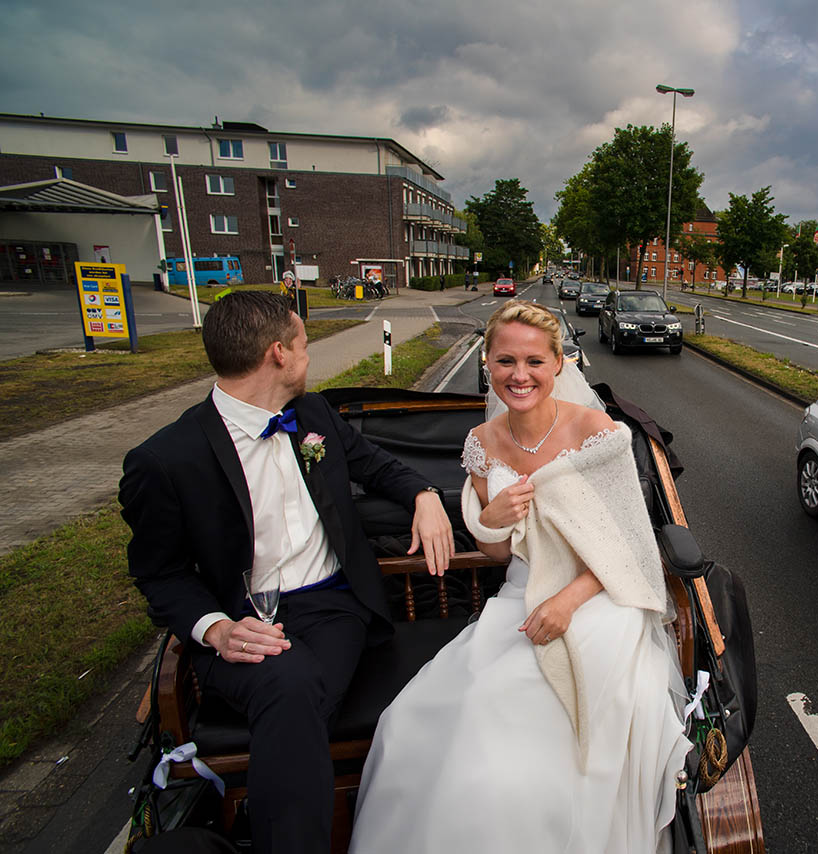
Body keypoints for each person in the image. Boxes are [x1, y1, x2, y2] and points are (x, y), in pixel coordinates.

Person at [118, 291, 454, 854]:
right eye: (304, 344)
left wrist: (423, 493)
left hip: (333, 609)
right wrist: (218, 630)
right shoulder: (165, 460)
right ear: (279, 354)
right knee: (290, 684)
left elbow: (377, 466)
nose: (307, 356)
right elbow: (159, 574)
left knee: (294, 686)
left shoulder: (315, 416)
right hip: (238, 623)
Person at [350, 301, 690, 853]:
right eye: (505, 360)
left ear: (559, 363)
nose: (520, 375)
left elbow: (630, 546)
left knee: (528, 735)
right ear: (487, 362)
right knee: (413, 723)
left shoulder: (597, 431)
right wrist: (492, 519)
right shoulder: (483, 444)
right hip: (519, 595)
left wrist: (567, 604)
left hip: (598, 598)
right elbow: (496, 554)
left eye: (534, 360)